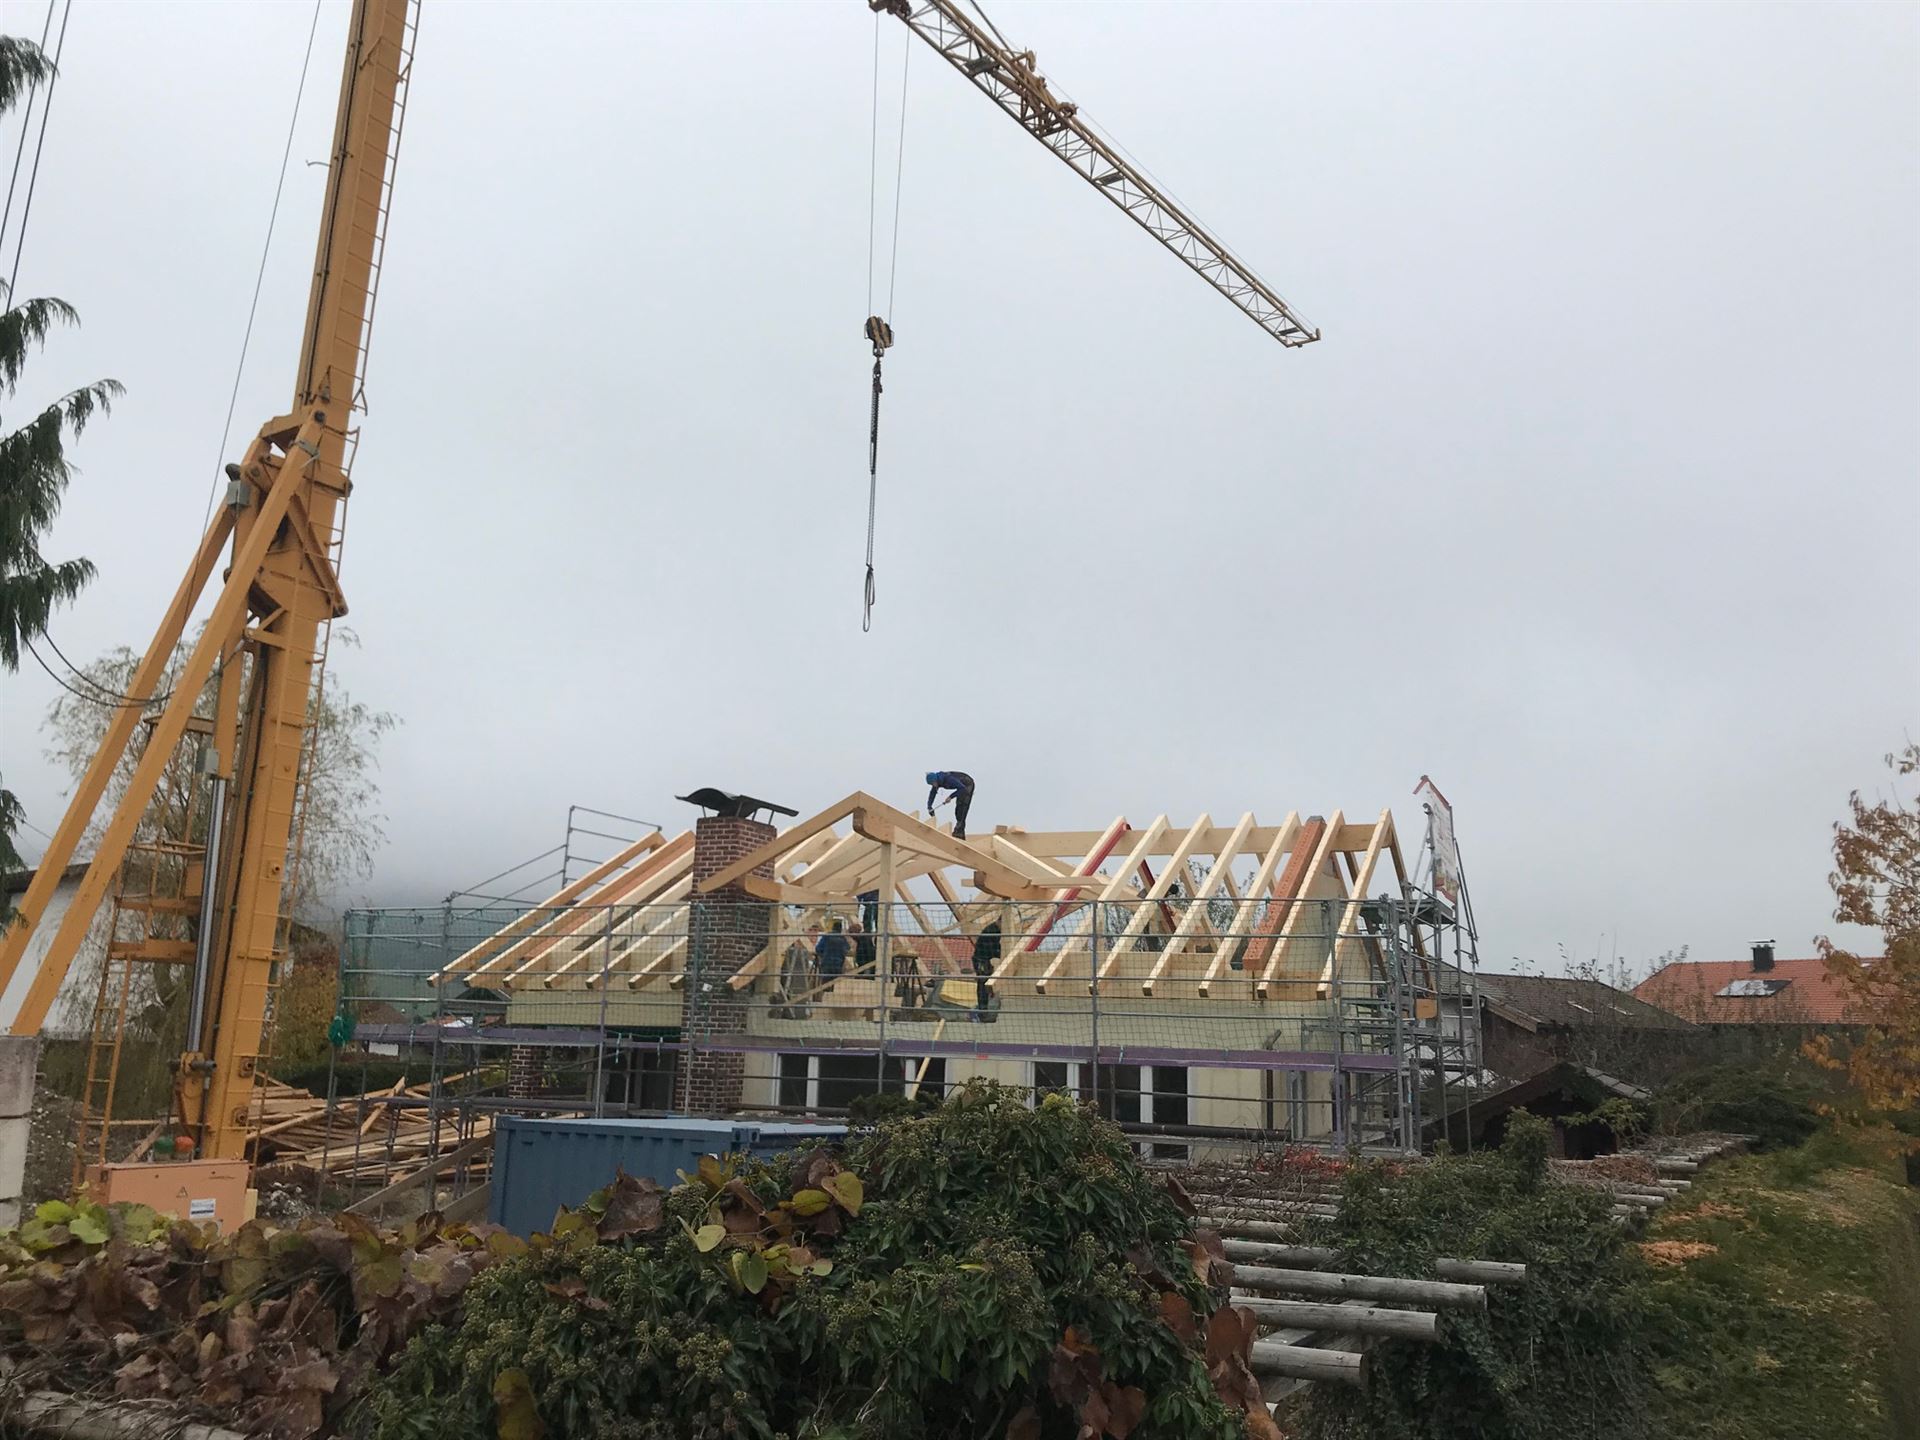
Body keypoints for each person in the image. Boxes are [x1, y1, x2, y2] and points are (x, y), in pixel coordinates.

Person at [925, 770, 976, 840]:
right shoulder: (937, 781)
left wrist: (950, 797)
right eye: (931, 784)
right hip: (961, 787)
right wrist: (929, 807)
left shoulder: (948, 779)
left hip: (967, 784)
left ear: (935, 780)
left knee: (962, 809)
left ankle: (959, 834)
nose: (933, 785)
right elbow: (932, 794)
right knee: (958, 811)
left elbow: (962, 788)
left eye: (933, 783)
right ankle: (959, 833)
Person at [970, 919, 1001, 1018]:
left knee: (985, 983)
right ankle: (983, 1010)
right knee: (983, 984)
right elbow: (993, 950)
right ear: (1000, 921)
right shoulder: (991, 931)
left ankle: (984, 1009)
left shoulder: (996, 930)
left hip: (985, 960)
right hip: (981, 961)